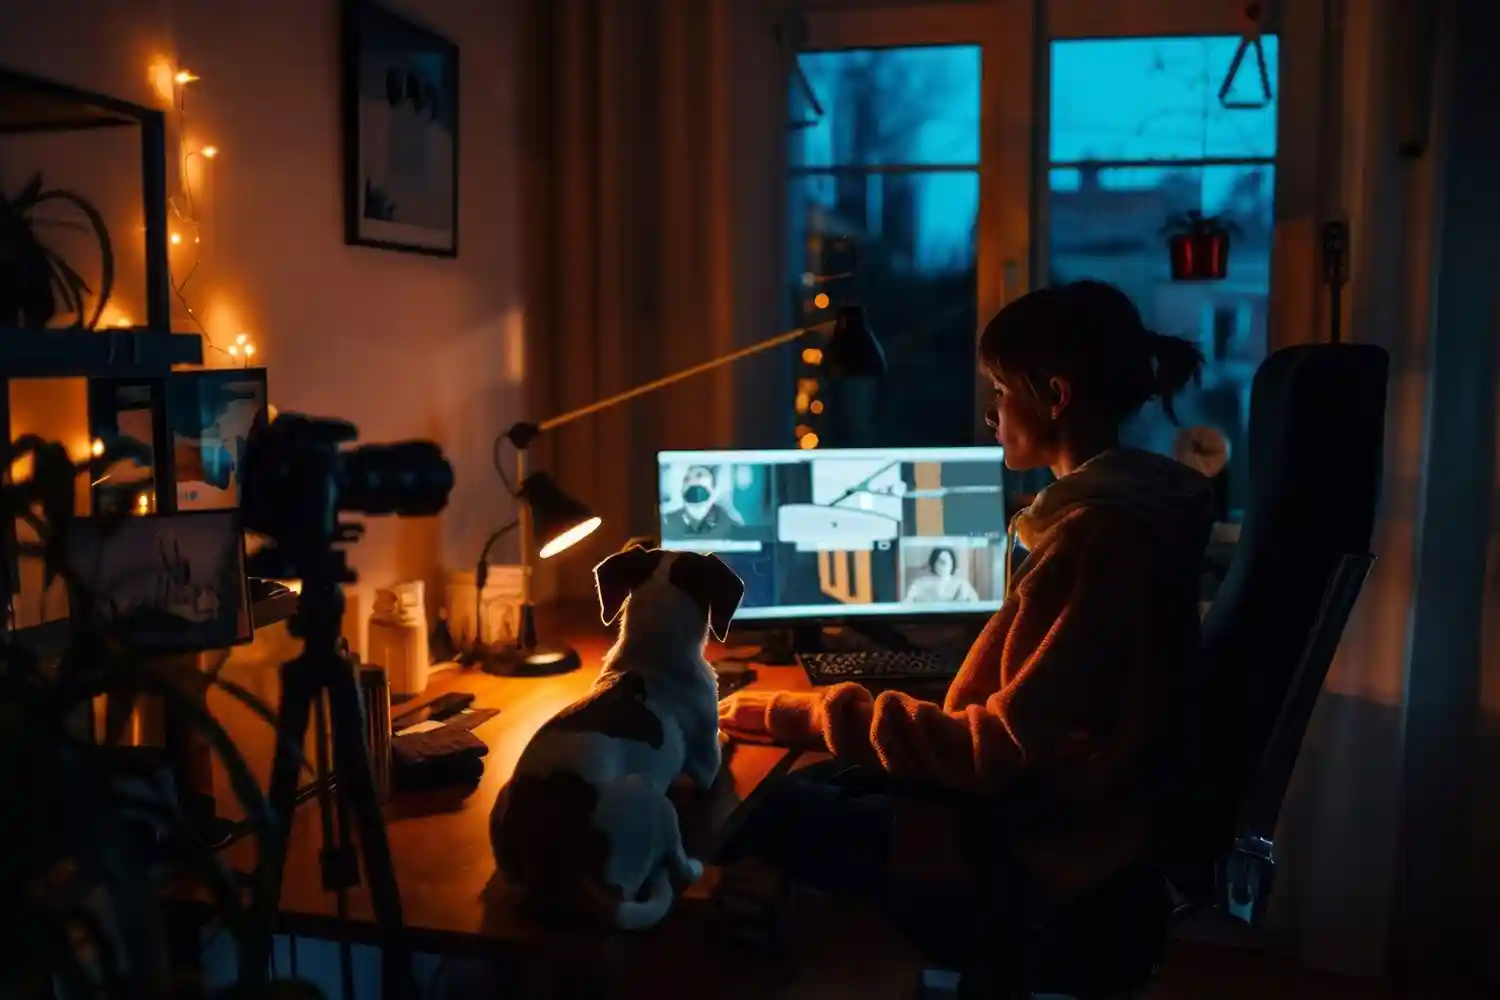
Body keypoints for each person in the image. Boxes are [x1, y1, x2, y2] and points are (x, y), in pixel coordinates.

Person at [716, 280, 1215, 955]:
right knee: (816, 780)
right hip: (1072, 821)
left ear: (1054, 395)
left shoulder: (1096, 538)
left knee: (757, 808)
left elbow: (993, 749)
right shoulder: (1122, 518)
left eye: (1001, 392)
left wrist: (799, 712)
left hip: (1038, 847)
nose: (993, 412)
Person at [903, 545, 981, 603]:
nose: (945, 565)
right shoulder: (920, 583)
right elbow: (907, 603)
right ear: (933, 563)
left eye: (948, 561)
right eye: (941, 561)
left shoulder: (962, 584)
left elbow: (975, 603)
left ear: (952, 563)